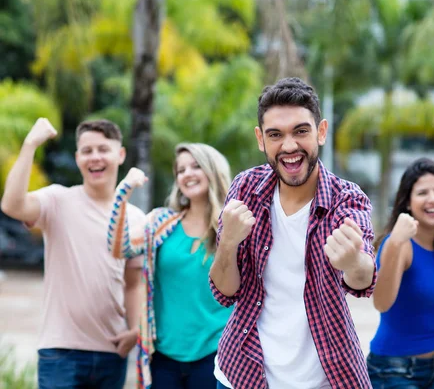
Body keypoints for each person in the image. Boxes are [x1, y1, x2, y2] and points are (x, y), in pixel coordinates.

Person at [209, 77, 377, 389]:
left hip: (324, 378)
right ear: (261, 139)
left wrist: (353, 261)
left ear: (321, 132)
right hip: (243, 373)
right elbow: (225, 292)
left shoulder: (346, 198)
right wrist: (228, 244)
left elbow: (364, 279)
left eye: (301, 131)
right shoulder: (245, 188)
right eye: (275, 135)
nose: (289, 146)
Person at [1, 118, 145, 389]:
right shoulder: (57, 200)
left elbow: (133, 282)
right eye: (87, 151)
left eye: (103, 149)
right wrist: (30, 143)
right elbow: (12, 204)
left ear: (120, 154)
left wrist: (134, 330)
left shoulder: (136, 218)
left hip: (112, 351)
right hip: (60, 352)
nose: (95, 157)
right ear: (78, 157)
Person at [107, 143, 233, 389]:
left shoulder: (231, 225)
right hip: (163, 357)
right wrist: (124, 191)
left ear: (213, 170)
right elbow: (118, 248)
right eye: (181, 170)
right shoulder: (162, 223)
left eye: (196, 166)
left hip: (217, 355)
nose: (187, 174)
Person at [367, 158, 434, 389]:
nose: (433, 199)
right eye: (422, 193)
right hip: (394, 369)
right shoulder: (401, 244)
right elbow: (381, 302)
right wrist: (395, 242)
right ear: (408, 202)